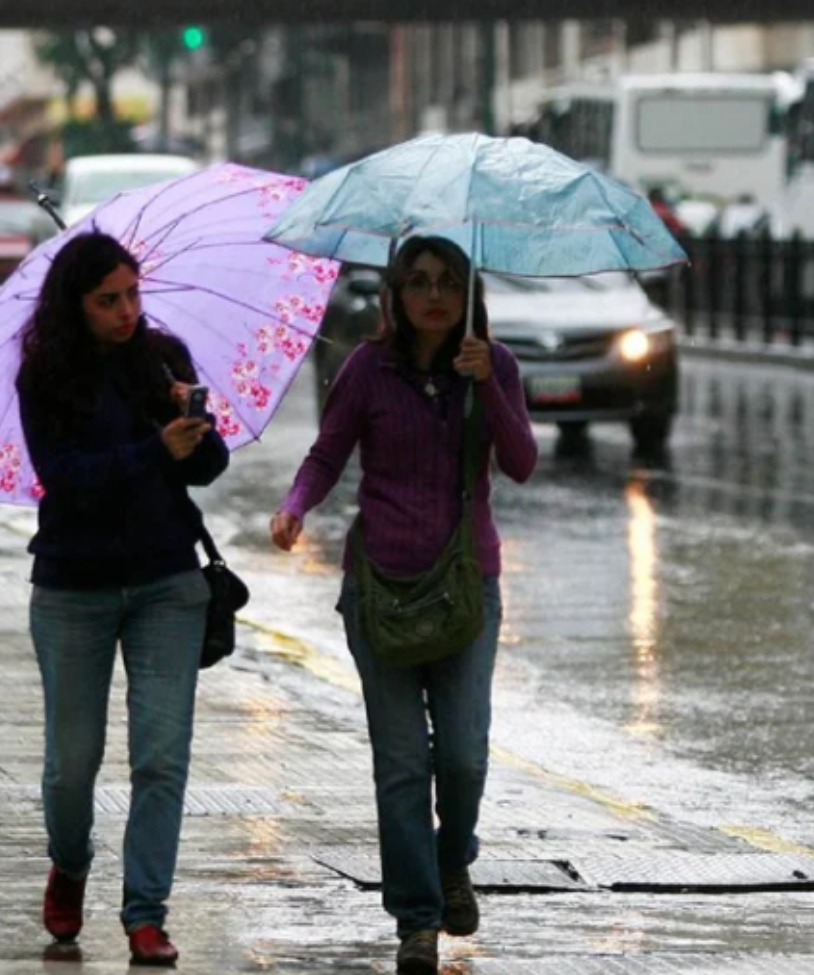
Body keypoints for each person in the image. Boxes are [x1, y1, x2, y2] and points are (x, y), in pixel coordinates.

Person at [270, 237, 538, 975]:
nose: (434, 295)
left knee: (462, 754)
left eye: (449, 282)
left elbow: (520, 463)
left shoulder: (494, 364)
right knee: (399, 763)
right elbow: (327, 453)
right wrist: (296, 507)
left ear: (469, 292)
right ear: (394, 293)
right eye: (417, 281)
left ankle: (455, 859)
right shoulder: (367, 368)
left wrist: (487, 387)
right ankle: (416, 921)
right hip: (379, 591)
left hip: (464, 590)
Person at [15, 232, 228, 967]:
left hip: (168, 584)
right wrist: (151, 451)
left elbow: (208, 467)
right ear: (76, 304)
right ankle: (70, 861)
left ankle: (145, 913)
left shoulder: (160, 360)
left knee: (161, 757)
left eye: (134, 294)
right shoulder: (45, 374)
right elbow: (64, 477)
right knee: (71, 766)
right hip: (73, 587)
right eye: (109, 300)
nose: (127, 311)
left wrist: (194, 423)